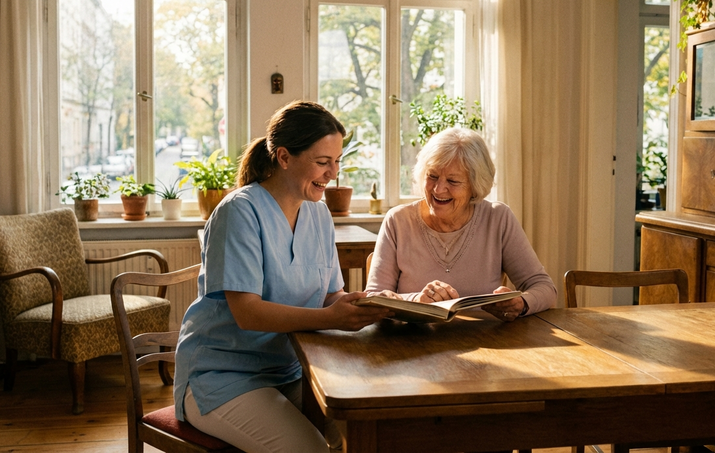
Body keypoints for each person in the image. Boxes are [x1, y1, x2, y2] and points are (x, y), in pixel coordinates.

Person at [174, 101, 390, 453]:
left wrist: (365, 305)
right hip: (223, 377)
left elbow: (330, 295)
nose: (333, 173)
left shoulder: (319, 215)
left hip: (291, 370)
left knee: (370, 433)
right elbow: (248, 314)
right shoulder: (239, 211)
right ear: (285, 157)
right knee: (312, 450)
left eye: (337, 161)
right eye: (323, 162)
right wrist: (332, 318)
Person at [366, 127, 557, 321]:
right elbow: (373, 298)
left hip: (485, 337)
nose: (439, 189)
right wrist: (416, 301)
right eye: (432, 176)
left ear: (475, 186)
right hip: (414, 337)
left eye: (453, 181)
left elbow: (545, 288)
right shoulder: (398, 221)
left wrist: (521, 303)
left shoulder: (498, 218)